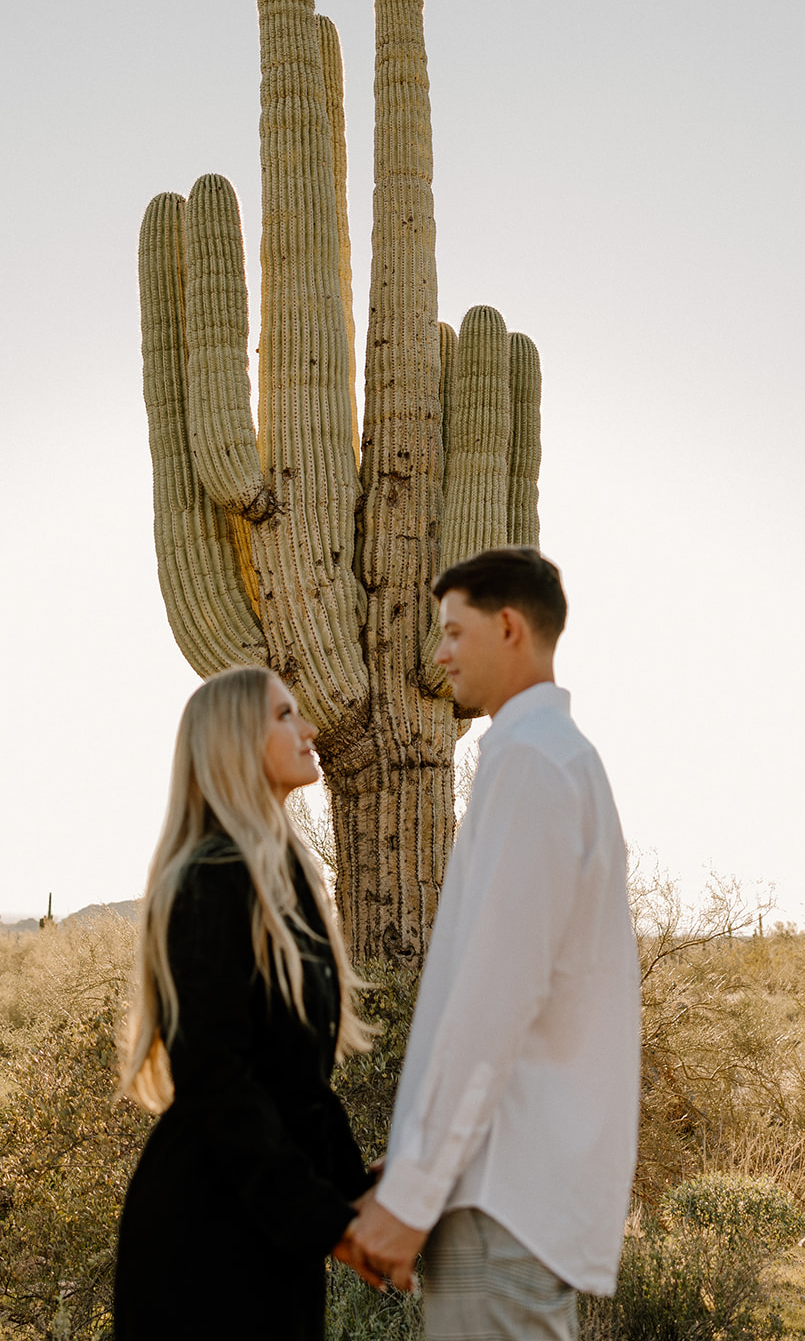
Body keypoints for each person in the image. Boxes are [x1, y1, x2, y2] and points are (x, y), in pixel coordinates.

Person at [348, 547, 641, 1340]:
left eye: (452, 631)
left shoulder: (531, 764)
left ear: (508, 626)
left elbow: (494, 1004)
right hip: (507, 1190)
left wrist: (411, 1196)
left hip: (497, 1197)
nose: (438, 653)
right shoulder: (556, 759)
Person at [114, 665, 380, 1341]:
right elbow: (218, 1083)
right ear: (235, 741)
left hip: (264, 1228)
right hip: (204, 1238)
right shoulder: (211, 877)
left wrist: (357, 1200)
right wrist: (334, 1227)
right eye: (285, 714)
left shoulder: (284, 875)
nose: (310, 728)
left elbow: (299, 1087)